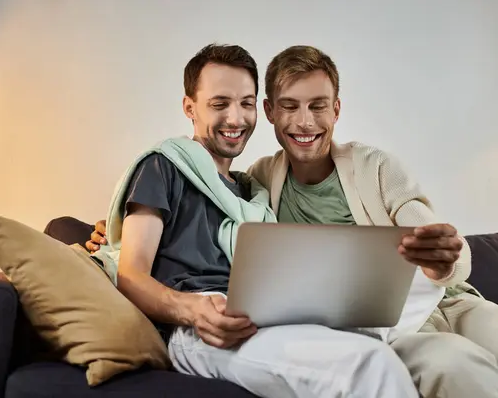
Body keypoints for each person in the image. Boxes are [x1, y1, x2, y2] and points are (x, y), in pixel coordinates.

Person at [88, 44, 498, 397]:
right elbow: (135, 264)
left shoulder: (256, 191)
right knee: (401, 364)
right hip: (216, 326)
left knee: (404, 351)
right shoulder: (187, 170)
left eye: (244, 103)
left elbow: (438, 244)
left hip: (429, 303)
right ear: (189, 107)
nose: (235, 117)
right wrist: (120, 240)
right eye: (219, 104)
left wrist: (442, 258)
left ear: (335, 110)